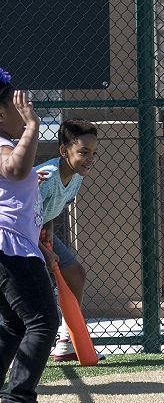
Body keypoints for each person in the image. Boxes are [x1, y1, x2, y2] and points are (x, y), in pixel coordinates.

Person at [0, 69, 61, 403]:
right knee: (43, 320)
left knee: (12, 325)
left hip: (14, 246)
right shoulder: (4, 144)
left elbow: (16, 179)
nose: (26, 109)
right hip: (10, 249)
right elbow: (13, 168)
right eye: (18, 106)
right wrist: (33, 126)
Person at [35, 118, 99, 362]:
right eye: (83, 152)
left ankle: (66, 342)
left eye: (94, 153)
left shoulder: (77, 176)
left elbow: (48, 209)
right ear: (64, 150)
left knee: (75, 274)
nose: (90, 159)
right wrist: (43, 251)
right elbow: (19, 218)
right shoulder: (47, 178)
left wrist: (49, 226)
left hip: (36, 229)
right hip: (14, 233)